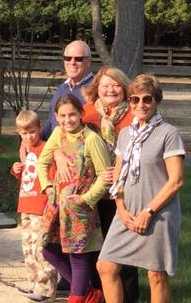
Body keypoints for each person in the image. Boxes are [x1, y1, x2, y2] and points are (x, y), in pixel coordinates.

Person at [97, 75, 185, 303]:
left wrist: (148, 212)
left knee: (156, 275)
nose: (140, 105)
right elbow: (118, 175)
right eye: (134, 100)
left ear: (156, 101)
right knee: (106, 266)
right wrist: (121, 209)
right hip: (126, 212)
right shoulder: (126, 134)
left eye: (147, 99)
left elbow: (176, 181)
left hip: (158, 214)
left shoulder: (169, 133)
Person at [38, 94, 112, 303]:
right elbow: (42, 163)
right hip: (57, 206)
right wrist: (48, 187)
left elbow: (104, 177)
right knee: (48, 250)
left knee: (78, 255)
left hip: (80, 208)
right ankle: (90, 293)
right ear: (56, 116)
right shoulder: (57, 134)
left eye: (72, 115)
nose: (67, 120)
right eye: (62, 116)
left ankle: (77, 298)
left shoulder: (91, 139)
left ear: (81, 114)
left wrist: (86, 199)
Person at [79, 67, 139, 303]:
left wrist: (120, 167)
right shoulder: (86, 113)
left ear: (124, 89)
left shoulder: (134, 115)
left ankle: (129, 296)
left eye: (115, 85)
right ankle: (101, 295)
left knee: (124, 248)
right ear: (97, 90)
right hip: (92, 192)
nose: (110, 90)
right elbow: (65, 138)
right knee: (95, 247)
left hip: (124, 192)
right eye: (105, 86)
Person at [10, 110, 59, 302]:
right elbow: (28, 177)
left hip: (41, 206)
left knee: (41, 248)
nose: (29, 136)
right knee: (27, 247)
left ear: (40, 128)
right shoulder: (26, 151)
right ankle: (34, 282)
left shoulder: (47, 149)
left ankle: (46, 289)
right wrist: (16, 170)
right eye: (24, 133)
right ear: (18, 133)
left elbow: (52, 178)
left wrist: (51, 204)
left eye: (32, 132)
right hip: (26, 204)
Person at [41, 40, 95, 140]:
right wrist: (30, 141)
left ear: (88, 62)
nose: (72, 62)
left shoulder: (97, 90)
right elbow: (51, 123)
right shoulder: (61, 89)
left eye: (78, 59)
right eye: (68, 58)